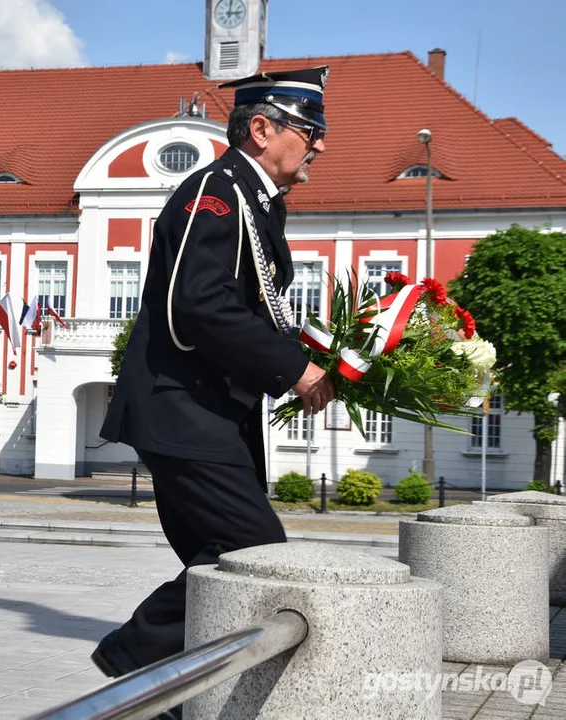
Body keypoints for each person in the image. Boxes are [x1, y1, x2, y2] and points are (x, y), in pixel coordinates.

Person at [94, 66, 338, 704]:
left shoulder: (255, 201)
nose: (320, 143)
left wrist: (323, 359)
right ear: (261, 128)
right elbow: (199, 305)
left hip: (208, 415)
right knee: (251, 551)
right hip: (183, 411)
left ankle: (170, 697)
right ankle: (133, 657)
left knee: (217, 568)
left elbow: (248, 311)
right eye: (310, 128)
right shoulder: (217, 192)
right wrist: (294, 369)